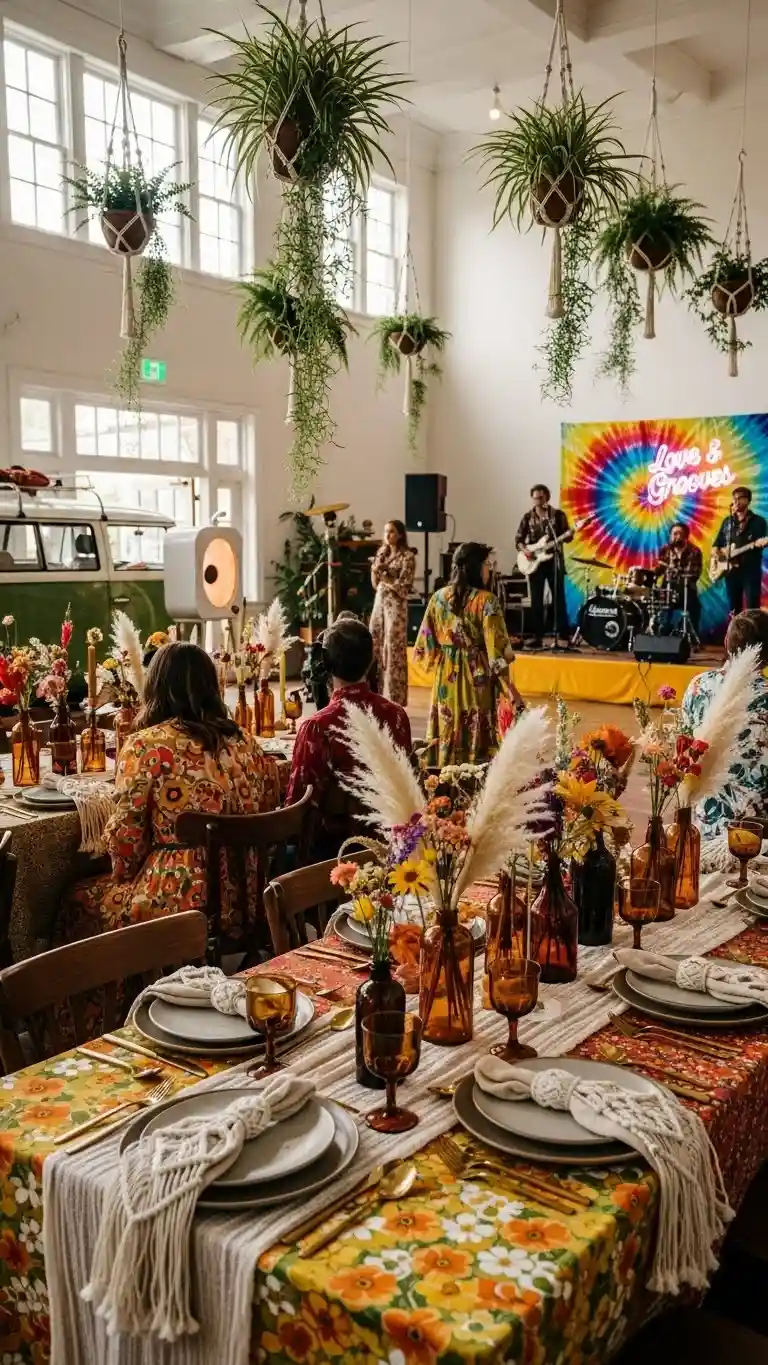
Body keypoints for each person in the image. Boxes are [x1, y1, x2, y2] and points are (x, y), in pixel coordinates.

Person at [56, 643, 280, 945]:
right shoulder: (244, 741)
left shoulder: (146, 746)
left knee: (76, 899)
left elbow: (126, 844)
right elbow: (268, 807)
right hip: (248, 899)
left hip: (178, 901)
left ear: (156, 687)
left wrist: (123, 875)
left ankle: (135, 988)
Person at [286, 617, 411, 857]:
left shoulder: (316, 728)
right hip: (391, 849)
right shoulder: (396, 716)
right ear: (371, 660)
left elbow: (296, 810)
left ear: (326, 663)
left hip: (331, 858)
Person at [413, 541, 525, 767]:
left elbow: (425, 644)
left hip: (445, 680)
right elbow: (497, 655)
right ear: (476, 566)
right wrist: (511, 691)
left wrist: (449, 654)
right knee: (477, 734)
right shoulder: (487, 601)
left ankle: (444, 787)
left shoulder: (438, 598)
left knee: (447, 729)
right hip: (477, 679)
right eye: (487, 563)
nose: (490, 568)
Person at [681, 608, 768, 838]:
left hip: (703, 828)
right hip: (757, 833)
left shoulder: (697, 686)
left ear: (726, 642)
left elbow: (685, 750)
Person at [515, 484, 573, 650]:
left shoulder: (558, 515)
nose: (538, 501)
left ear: (547, 497)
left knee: (558, 599)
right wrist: (526, 550)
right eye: (535, 498)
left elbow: (567, 537)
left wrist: (569, 536)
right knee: (536, 600)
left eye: (541, 498)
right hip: (535, 562)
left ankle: (562, 635)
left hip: (554, 560)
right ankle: (537, 636)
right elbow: (518, 539)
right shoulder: (528, 517)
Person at [369, 519, 416, 705]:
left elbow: (404, 587)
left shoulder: (408, 557)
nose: (387, 536)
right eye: (385, 532)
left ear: (400, 535)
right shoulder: (382, 552)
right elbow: (375, 584)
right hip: (380, 601)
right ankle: (376, 691)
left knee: (393, 648)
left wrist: (385, 576)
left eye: (391, 532)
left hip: (396, 604)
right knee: (375, 642)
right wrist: (375, 570)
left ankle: (395, 697)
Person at [712, 487, 767, 617]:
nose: (736, 501)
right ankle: (736, 636)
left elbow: (760, 543)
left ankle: (754, 636)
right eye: (734, 498)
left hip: (750, 570)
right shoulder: (727, 522)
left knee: (752, 609)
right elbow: (716, 545)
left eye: (740, 498)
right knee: (734, 608)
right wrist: (718, 556)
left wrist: (756, 544)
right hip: (731, 571)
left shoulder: (758, 521)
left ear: (748, 501)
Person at [655, 523, 703, 636]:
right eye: (674, 534)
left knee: (695, 607)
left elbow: (693, 574)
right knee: (656, 601)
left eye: (679, 534)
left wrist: (675, 569)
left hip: (686, 588)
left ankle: (692, 636)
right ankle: (662, 633)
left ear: (685, 536)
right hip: (667, 588)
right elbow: (660, 569)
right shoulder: (665, 550)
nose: (676, 537)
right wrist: (647, 573)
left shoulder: (694, 551)